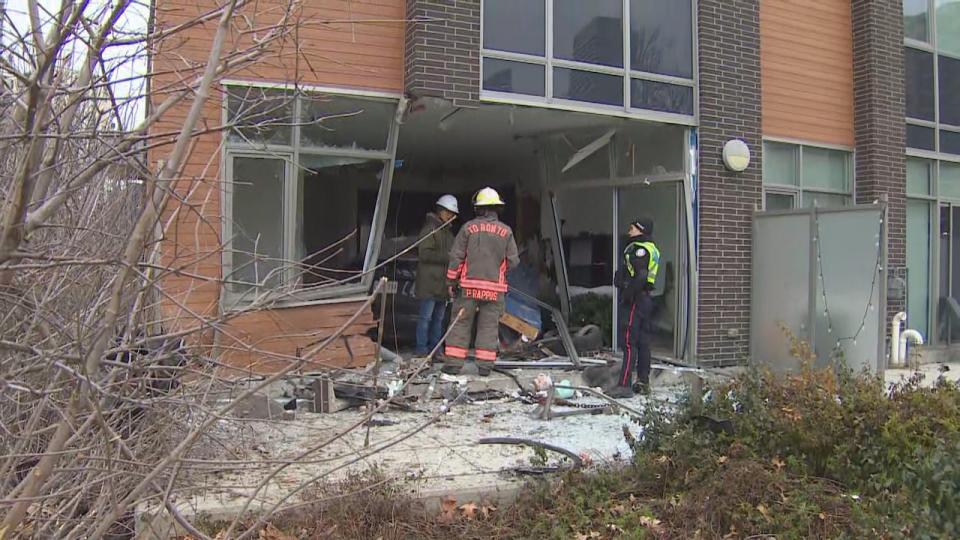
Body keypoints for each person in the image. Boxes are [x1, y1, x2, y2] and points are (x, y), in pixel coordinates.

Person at [443, 187, 520, 376]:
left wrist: (451, 282)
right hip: (494, 290)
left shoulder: (468, 228)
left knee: (460, 323)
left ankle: (453, 365)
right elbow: (513, 261)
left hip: (468, 287)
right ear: (496, 208)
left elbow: (456, 258)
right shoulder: (506, 231)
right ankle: (485, 367)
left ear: (478, 208)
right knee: (489, 326)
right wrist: (498, 272)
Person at [610, 217, 660, 398]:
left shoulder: (639, 249)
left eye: (632, 228)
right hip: (646, 299)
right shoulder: (651, 248)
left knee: (629, 342)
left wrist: (627, 294)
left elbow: (640, 275)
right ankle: (643, 382)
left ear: (641, 230)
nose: (629, 231)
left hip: (636, 300)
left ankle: (624, 385)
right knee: (643, 342)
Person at [414, 194, 459, 357]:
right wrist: (448, 257)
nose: (451, 217)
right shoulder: (430, 229)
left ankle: (436, 350)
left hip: (442, 285)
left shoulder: (447, 232)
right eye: (449, 213)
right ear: (441, 211)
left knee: (438, 320)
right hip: (429, 284)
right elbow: (424, 254)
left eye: (453, 214)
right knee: (425, 319)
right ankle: (421, 351)